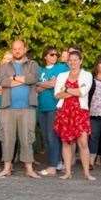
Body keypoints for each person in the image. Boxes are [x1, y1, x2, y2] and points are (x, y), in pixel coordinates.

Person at [0, 40, 40, 178]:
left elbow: (33, 78)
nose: (17, 51)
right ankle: (7, 168)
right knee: (6, 138)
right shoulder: (4, 66)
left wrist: (13, 78)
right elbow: (2, 81)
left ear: (25, 49)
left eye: (20, 48)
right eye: (14, 49)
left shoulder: (33, 64)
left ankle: (29, 169)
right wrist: (22, 80)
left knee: (27, 138)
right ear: (12, 50)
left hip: (27, 107)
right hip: (7, 108)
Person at [53, 50, 94, 180]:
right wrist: (73, 91)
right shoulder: (62, 75)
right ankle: (68, 172)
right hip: (65, 111)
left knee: (83, 143)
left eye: (76, 59)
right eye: (70, 60)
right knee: (66, 143)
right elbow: (57, 94)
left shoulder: (87, 75)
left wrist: (65, 89)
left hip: (80, 111)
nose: (73, 62)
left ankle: (87, 173)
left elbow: (83, 92)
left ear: (81, 61)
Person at [35, 47, 69, 176]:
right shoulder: (41, 71)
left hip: (54, 107)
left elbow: (55, 84)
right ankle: (56, 162)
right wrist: (46, 84)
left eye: (56, 54)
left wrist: (41, 84)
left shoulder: (61, 68)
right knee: (45, 137)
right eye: (51, 54)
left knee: (52, 136)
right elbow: (35, 88)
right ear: (45, 56)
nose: (54, 56)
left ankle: (53, 166)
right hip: (42, 107)